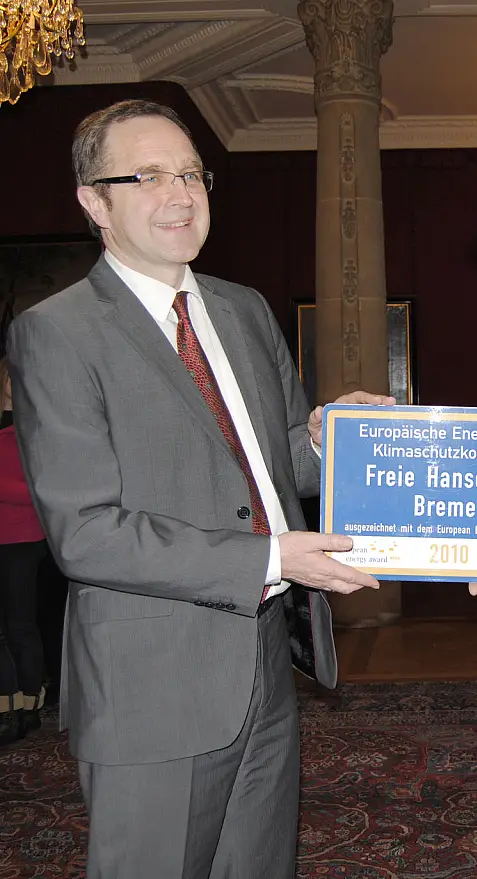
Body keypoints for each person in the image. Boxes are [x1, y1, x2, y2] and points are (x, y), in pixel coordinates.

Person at [6, 99, 393, 879]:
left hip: (265, 668)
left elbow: (279, 471)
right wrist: (267, 558)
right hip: (152, 685)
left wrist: (327, 440)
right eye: (147, 175)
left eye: (190, 173)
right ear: (94, 200)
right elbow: (86, 532)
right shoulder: (57, 332)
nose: (180, 194)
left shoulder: (243, 310)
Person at [0, 355, 48, 745]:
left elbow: (40, 488)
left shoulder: (37, 427)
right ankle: (6, 704)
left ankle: (30, 703)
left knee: (20, 624)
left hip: (21, 540)